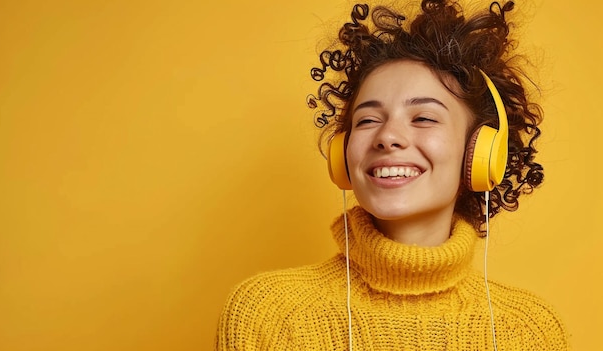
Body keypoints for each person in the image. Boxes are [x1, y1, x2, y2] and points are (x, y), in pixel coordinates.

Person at [215, 0, 570, 350]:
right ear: (344, 153)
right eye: (368, 120)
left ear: (480, 153)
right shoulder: (268, 313)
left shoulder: (530, 331)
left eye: (424, 118)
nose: (387, 137)